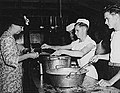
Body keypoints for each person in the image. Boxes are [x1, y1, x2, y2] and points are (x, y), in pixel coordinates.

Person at [41, 18, 98, 88]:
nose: (75, 33)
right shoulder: (76, 42)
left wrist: (62, 52)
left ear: (84, 30)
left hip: (89, 73)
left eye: (77, 31)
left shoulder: (90, 43)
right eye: (75, 31)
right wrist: (49, 46)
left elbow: (81, 53)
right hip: (80, 71)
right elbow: (61, 47)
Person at [0, 16, 39, 93]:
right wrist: (29, 55)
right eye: (21, 27)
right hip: (10, 80)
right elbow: (10, 60)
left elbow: (10, 49)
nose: (22, 29)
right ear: (13, 25)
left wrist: (18, 46)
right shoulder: (7, 39)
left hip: (13, 78)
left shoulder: (8, 36)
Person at [90, 4, 120, 89]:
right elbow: (114, 56)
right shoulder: (114, 34)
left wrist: (111, 81)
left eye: (107, 19)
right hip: (112, 70)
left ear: (116, 17)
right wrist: (99, 56)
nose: (105, 22)